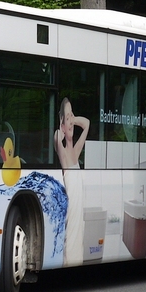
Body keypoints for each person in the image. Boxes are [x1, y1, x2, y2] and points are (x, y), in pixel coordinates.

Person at [55, 98, 90, 266]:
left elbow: (87, 124)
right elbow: (56, 139)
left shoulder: (75, 152)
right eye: (67, 118)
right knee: (70, 248)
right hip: (71, 215)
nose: (71, 122)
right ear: (61, 124)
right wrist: (62, 126)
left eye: (72, 115)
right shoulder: (63, 153)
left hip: (79, 215)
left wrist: (72, 119)